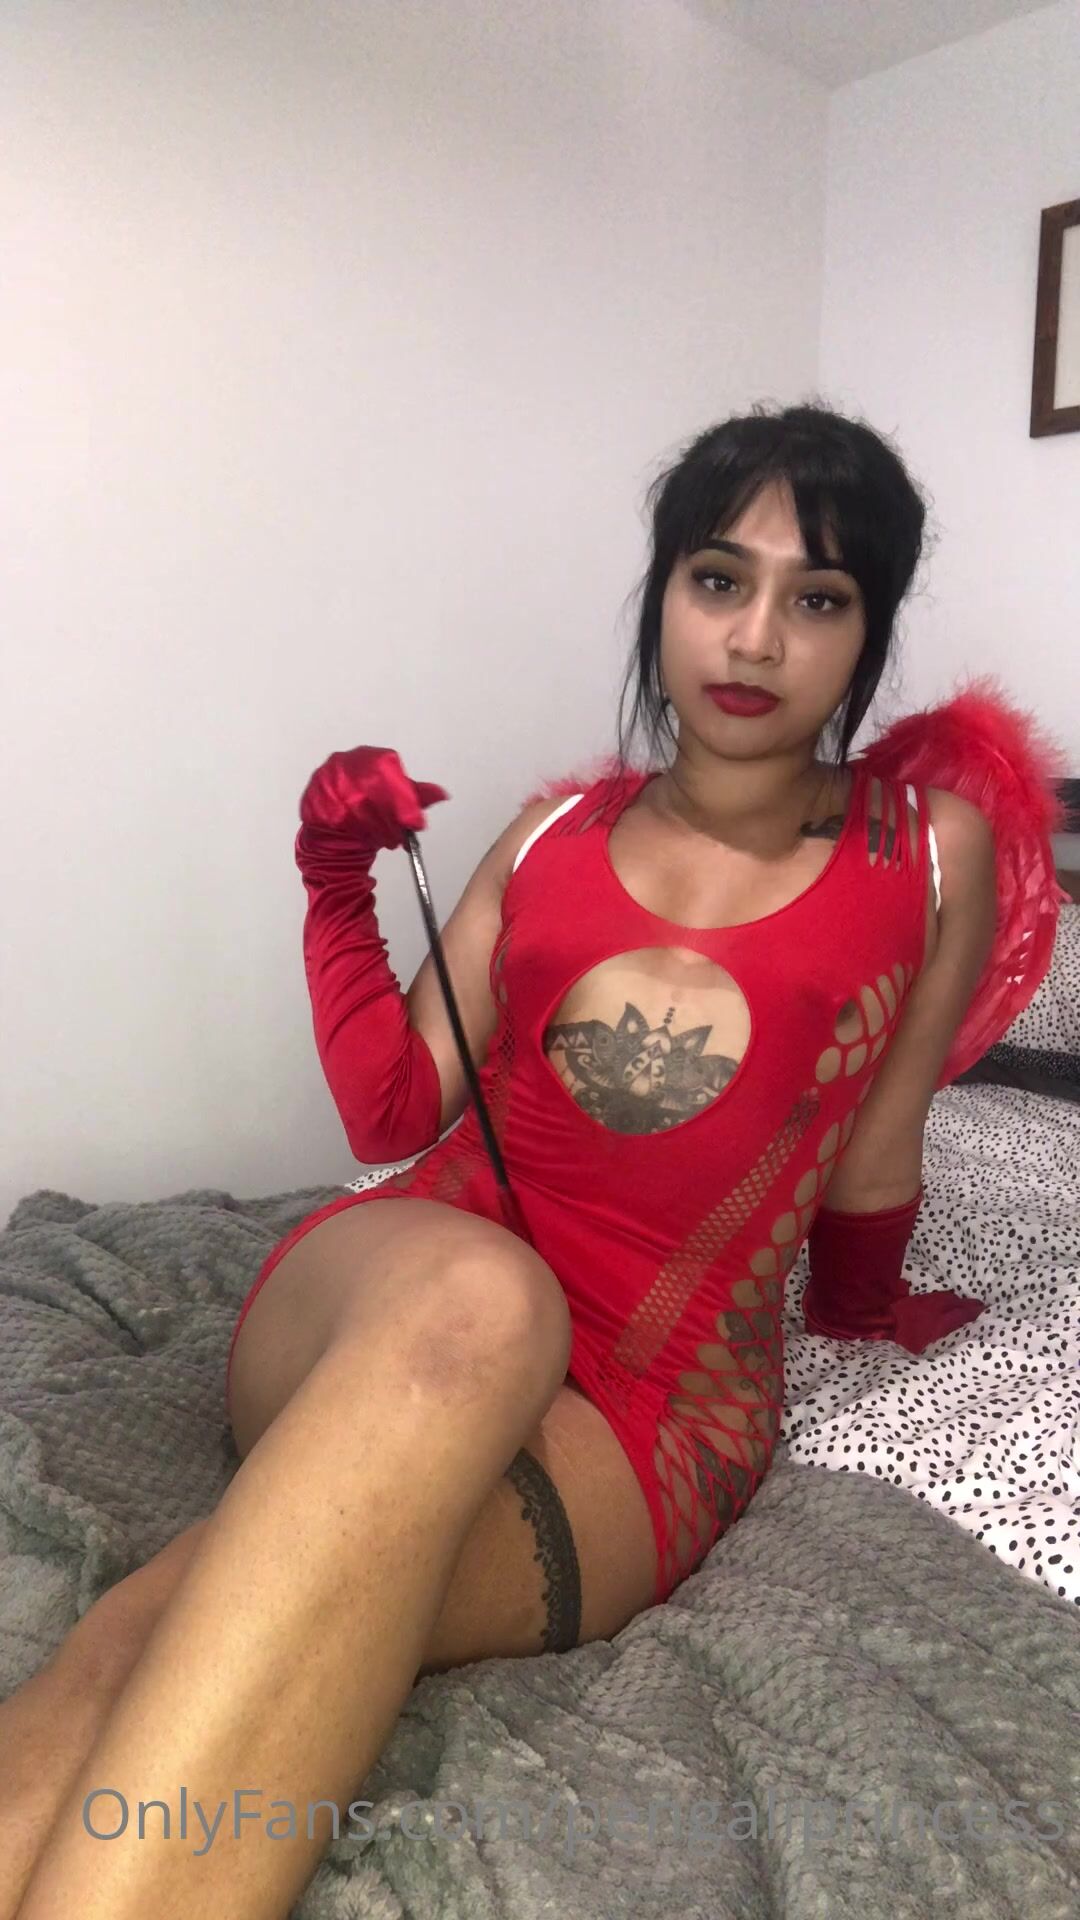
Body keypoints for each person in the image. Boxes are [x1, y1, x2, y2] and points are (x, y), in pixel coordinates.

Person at [4, 403, 1065, 1920]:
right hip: (396, 1292)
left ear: (868, 635)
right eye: (719, 579)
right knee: (482, 1303)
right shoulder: (550, 831)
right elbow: (396, 1117)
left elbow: (878, 1139)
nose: (757, 636)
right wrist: (334, 880)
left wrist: (866, 1310)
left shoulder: (933, 851)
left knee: (148, 1631)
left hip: (650, 1410)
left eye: (819, 598)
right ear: (663, 592)